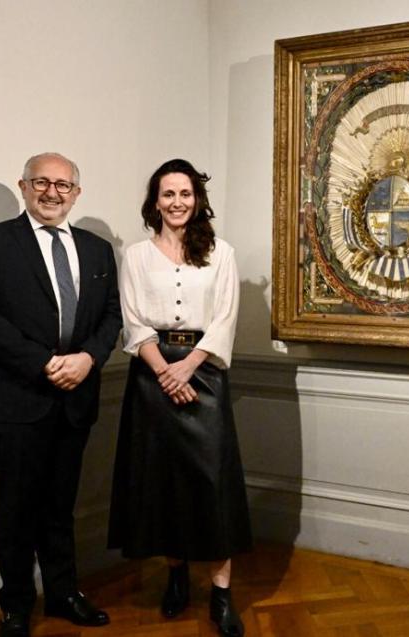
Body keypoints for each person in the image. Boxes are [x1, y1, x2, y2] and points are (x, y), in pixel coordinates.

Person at [0, 153, 122, 637]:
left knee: (59, 506)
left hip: (75, 398)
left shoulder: (96, 249)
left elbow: (112, 316)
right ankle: (15, 607)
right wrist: (44, 363)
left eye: (63, 185)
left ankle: (63, 593)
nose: (52, 193)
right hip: (16, 397)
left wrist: (89, 359)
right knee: (16, 509)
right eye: (42, 183)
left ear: (77, 192)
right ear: (24, 186)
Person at [107, 159, 252, 636]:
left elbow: (226, 317)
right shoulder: (136, 255)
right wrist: (164, 372)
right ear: (155, 201)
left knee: (212, 483)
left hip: (204, 370)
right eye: (168, 194)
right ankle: (175, 577)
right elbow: (133, 320)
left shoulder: (222, 253)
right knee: (162, 481)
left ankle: (222, 593)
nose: (177, 202)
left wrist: (187, 367)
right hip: (151, 376)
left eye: (185, 194)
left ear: (198, 199)